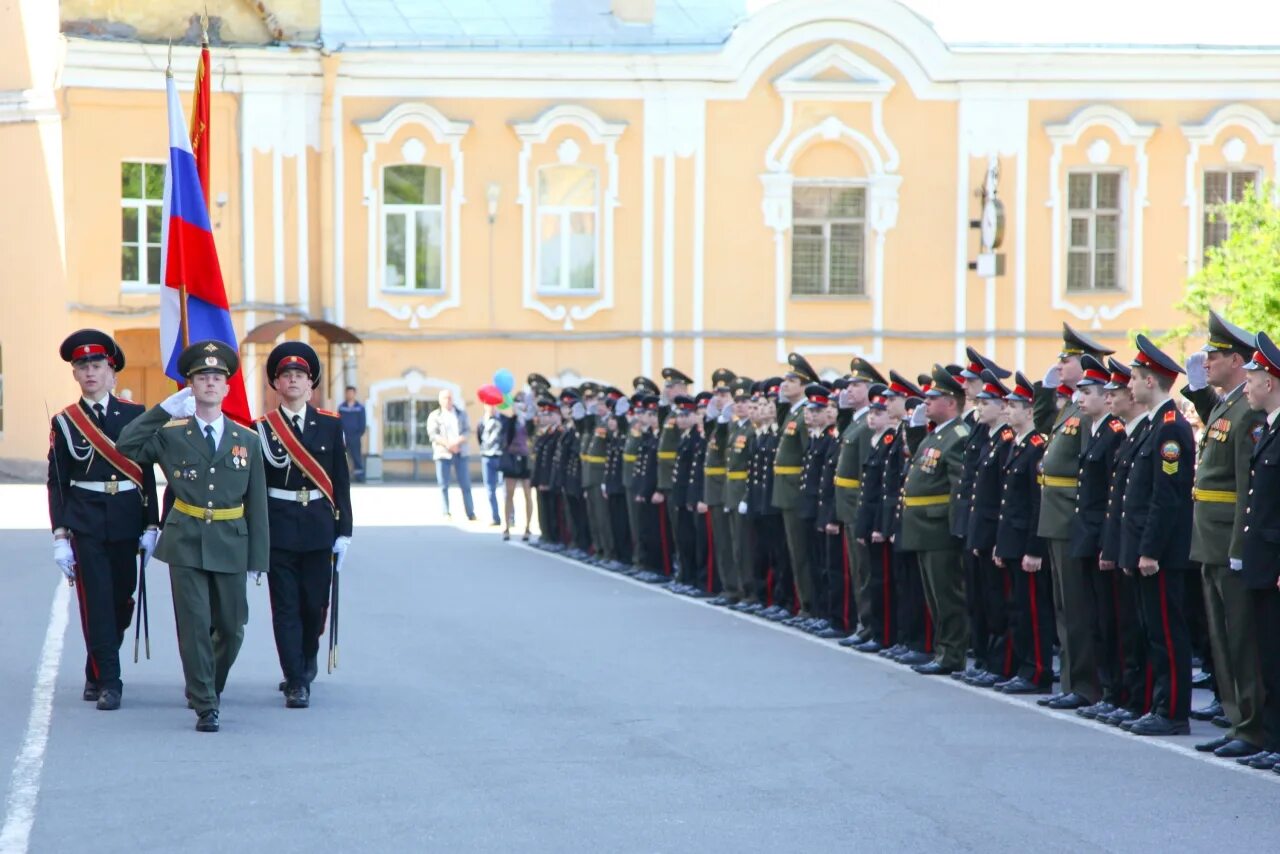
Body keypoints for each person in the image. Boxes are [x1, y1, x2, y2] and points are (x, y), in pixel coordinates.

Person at [116, 340, 269, 733]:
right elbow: (127, 444)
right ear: (191, 386)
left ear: (228, 387)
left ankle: (208, 685)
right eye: (203, 377)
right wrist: (164, 409)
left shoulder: (247, 439)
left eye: (218, 377)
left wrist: (258, 558)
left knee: (232, 628)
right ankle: (205, 703)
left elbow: (257, 503)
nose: (211, 383)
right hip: (185, 539)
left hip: (232, 540)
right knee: (195, 623)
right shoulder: (173, 433)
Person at [48, 329, 159, 712]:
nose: (90, 372)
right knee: (96, 601)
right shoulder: (65, 422)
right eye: (83, 367)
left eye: (97, 365)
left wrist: (151, 524)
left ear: (112, 372)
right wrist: (60, 534)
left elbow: (146, 472)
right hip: (87, 521)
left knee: (121, 600)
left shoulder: (134, 415)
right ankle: (110, 681)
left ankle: (95, 667)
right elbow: (58, 482)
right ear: (75, 375)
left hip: (127, 519)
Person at [1181, 311, 1266, 760]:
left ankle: (1252, 726)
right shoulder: (1226, 405)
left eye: (1214, 355)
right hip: (1208, 539)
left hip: (1226, 539)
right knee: (1221, 636)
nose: (1206, 361)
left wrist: (1238, 546)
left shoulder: (1246, 411)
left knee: (1240, 638)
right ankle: (1237, 721)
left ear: (1236, 360)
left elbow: (1243, 484)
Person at [255, 342, 353, 710]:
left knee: (314, 606)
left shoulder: (329, 424)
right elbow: (256, 487)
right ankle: (295, 678)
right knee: (285, 607)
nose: (293, 380)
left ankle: (307, 654)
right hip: (278, 528)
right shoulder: (261, 429)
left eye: (300, 375)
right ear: (276, 384)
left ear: (310, 385)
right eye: (286, 375)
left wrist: (345, 531)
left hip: (317, 527)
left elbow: (340, 480)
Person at [1033, 323, 1115, 712]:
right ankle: (1071, 681)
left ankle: (1085, 685)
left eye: (1064, 360)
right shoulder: (1072, 405)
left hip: (1070, 515)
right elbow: (1043, 428)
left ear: (1083, 364)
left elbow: (1089, 469)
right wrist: (1044, 393)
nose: (1059, 365)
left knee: (1079, 609)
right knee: (1064, 607)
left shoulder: (1090, 411)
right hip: (1055, 514)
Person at [1119, 334, 1195, 736]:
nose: (1128, 386)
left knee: (1167, 633)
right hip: (1147, 550)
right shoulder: (1152, 428)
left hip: (1162, 553)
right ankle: (1158, 703)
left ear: (1151, 381)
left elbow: (1166, 500)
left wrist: (1148, 550)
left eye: (1133, 378)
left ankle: (1173, 712)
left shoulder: (1170, 431)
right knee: (1153, 632)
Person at [899, 364, 969, 676]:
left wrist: (956, 528)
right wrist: (914, 428)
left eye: (933, 398)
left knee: (947, 595)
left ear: (951, 402)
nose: (926, 402)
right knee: (935, 596)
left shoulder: (957, 436)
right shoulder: (936, 435)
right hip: (923, 527)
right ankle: (943, 650)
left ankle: (951, 654)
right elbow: (919, 462)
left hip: (939, 527)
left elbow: (958, 487)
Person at [993, 372, 1054, 695]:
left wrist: (1033, 548)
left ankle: (1037, 670)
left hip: (1026, 544)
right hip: (1012, 540)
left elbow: (1035, 504)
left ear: (1030, 411)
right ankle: (1023, 666)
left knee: (1033, 612)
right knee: (1018, 609)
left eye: (1014, 405)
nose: (1007, 411)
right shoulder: (1017, 446)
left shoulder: (1035, 448)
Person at [1239, 331, 1280, 772]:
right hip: (1263, 559)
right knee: (1268, 654)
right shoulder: (1267, 430)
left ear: (1269, 382)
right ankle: (1273, 738)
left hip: (1275, 561)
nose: (1246, 386)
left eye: (1251, 378)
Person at [427, 389, 475, 521]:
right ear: (440, 400)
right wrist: (448, 444)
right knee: (444, 484)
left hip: (460, 452)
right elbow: (433, 434)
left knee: (465, 484)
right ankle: (446, 511)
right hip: (443, 453)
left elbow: (467, 431)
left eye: (450, 398)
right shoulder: (435, 416)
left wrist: (457, 442)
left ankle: (470, 512)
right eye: (445, 398)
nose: (448, 401)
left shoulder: (461, 414)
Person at [499, 391, 535, 542]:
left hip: (526, 459)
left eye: (522, 402)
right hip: (512, 459)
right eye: (517, 402)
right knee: (509, 494)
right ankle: (506, 527)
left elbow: (534, 436)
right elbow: (503, 437)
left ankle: (527, 527)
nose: (520, 405)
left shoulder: (530, 422)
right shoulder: (509, 421)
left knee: (527, 494)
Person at [477, 402, 505, 527]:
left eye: (493, 405)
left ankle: (510, 517)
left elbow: (506, 437)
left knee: (505, 489)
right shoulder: (482, 421)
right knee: (490, 489)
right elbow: (479, 437)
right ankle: (495, 516)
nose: (491, 408)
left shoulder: (502, 420)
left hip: (500, 457)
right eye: (489, 405)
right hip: (486, 457)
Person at [338, 386, 366, 482]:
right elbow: (338, 421)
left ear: (354, 394)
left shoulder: (360, 407)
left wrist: (358, 434)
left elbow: (362, 423)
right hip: (343, 437)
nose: (349, 394)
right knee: (342, 458)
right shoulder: (342, 407)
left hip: (355, 437)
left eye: (351, 393)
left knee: (356, 457)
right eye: (348, 393)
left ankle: (359, 477)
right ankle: (343, 478)